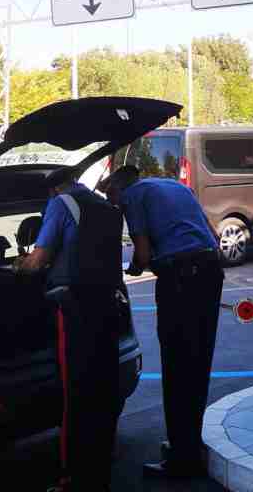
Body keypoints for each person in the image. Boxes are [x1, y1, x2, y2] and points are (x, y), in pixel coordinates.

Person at [103, 164, 222, 479]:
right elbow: (213, 234)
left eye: (110, 198)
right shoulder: (176, 187)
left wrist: (131, 270)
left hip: (180, 277)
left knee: (177, 363)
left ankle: (182, 461)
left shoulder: (132, 197)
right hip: (210, 270)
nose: (114, 205)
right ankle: (189, 445)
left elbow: (141, 254)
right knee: (198, 361)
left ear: (117, 189)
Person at [14, 168, 123, 492]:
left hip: (76, 307)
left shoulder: (62, 204)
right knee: (102, 389)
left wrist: (19, 264)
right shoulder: (105, 206)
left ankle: (73, 478)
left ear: (53, 190)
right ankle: (100, 469)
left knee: (75, 393)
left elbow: (39, 259)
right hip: (108, 305)